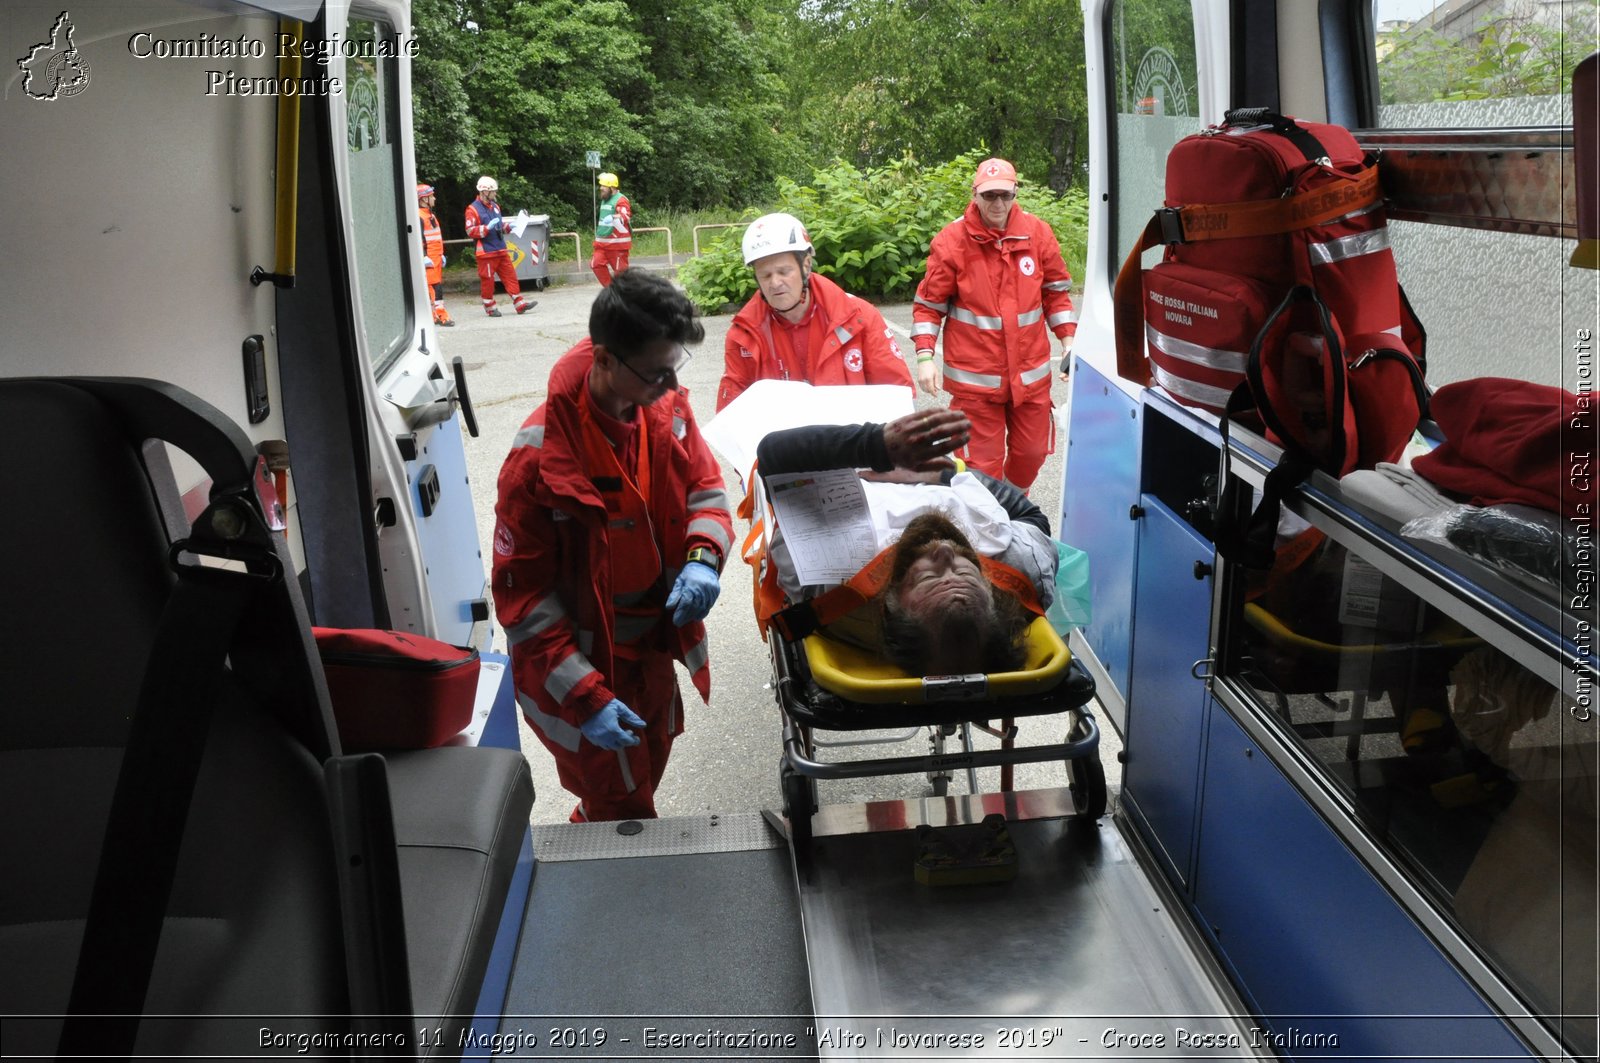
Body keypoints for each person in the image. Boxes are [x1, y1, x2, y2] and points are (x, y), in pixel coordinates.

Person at [491, 268, 733, 822]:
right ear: (603, 361)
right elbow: (524, 602)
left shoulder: (663, 410)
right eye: (656, 375)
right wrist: (587, 696)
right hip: (586, 662)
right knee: (619, 801)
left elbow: (706, 488)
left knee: (642, 770)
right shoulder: (537, 461)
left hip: (650, 644)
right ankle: (618, 892)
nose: (670, 388)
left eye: (675, 369)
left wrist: (702, 559)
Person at [754, 408, 1058, 677]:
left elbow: (773, 457)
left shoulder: (828, 579)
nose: (945, 553)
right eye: (967, 574)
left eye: (928, 576)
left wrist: (875, 445)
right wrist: (943, 474)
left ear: (892, 602)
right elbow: (1032, 519)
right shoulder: (1022, 569)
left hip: (838, 454)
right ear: (992, 593)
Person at [911, 158, 1078, 492]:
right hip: (976, 385)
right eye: (989, 196)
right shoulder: (951, 241)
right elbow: (928, 307)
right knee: (980, 471)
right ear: (975, 195)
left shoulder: (1038, 234)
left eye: (1004, 194)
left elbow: (1056, 294)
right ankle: (993, 521)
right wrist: (925, 357)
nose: (998, 203)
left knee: (1032, 453)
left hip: (1030, 379)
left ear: (1016, 193)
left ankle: (1011, 506)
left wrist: (1069, 342)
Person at [717, 213, 914, 412]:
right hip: (784, 442)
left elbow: (896, 397)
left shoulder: (859, 316)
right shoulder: (743, 334)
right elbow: (731, 416)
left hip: (854, 439)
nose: (775, 283)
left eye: (784, 272)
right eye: (765, 275)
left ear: (806, 265)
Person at [464, 175, 536, 317]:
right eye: (493, 191)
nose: (495, 194)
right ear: (484, 191)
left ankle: (519, 304)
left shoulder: (495, 207)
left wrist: (508, 227)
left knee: (510, 276)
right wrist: (485, 228)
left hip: (500, 248)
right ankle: (490, 307)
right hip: (485, 252)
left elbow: (498, 226)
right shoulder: (472, 209)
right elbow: (470, 230)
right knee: (488, 281)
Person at [416, 183, 455, 327]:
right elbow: (419, 239)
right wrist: (423, 256)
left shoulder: (429, 215)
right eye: (431, 196)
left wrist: (441, 254)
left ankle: (434, 315)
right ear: (423, 199)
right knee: (434, 288)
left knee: (435, 287)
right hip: (429, 258)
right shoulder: (419, 216)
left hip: (436, 257)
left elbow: (435, 237)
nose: (434, 198)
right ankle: (441, 315)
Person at [591, 171, 632, 286]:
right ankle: (611, 290)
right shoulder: (605, 198)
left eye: (604, 186)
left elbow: (625, 216)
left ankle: (627, 297)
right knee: (596, 264)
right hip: (602, 244)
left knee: (621, 275)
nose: (601, 188)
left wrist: (613, 217)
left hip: (617, 244)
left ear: (612, 187)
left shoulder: (621, 199)